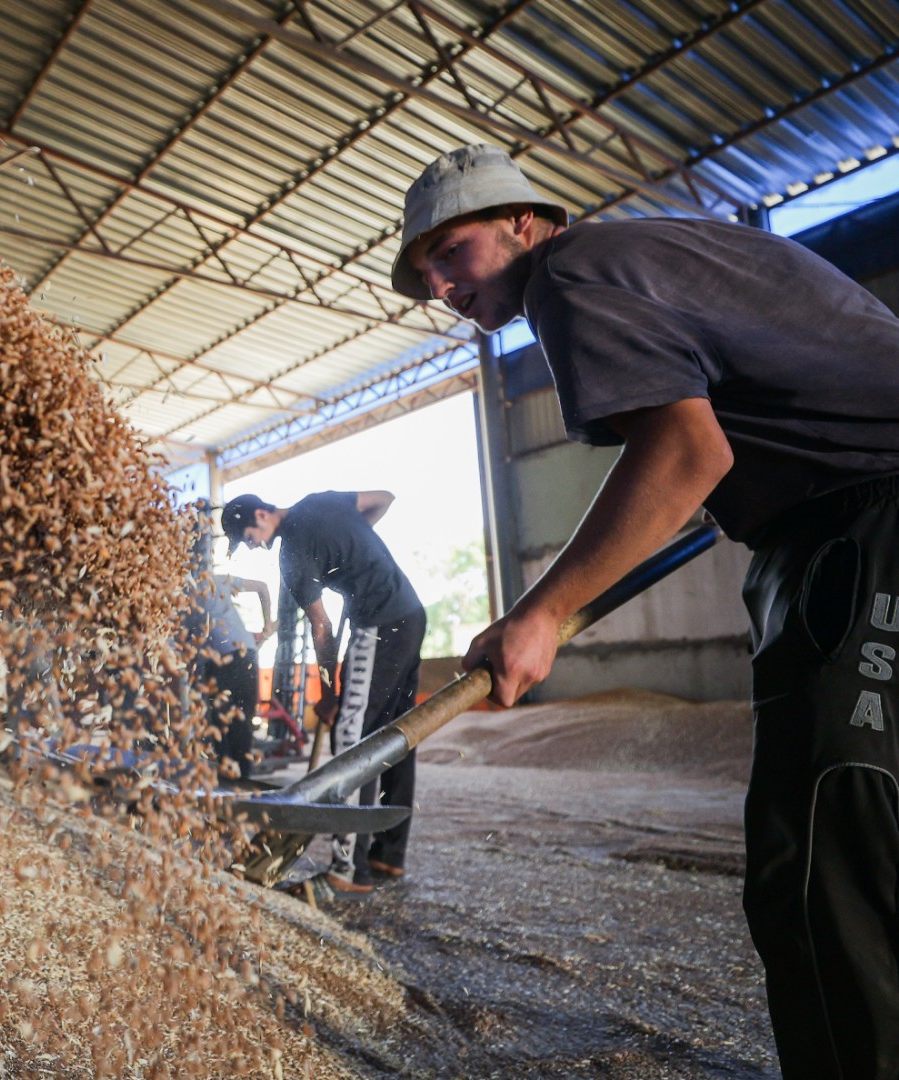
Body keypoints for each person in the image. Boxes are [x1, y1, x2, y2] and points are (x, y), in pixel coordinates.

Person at [395, 143, 899, 1078]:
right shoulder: (636, 254)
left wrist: (539, 614)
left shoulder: (571, 276)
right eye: (423, 274)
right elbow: (723, 437)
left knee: (822, 853)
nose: (438, 285)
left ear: (520, 220)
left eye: (449, 252)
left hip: (869, 521)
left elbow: (681, 449)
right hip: (827, 522)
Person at [222, 490, 426, 895]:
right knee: (395, 735)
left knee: (352, 741)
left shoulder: (292, 557)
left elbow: (322, 628)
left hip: (377, 623)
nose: (252, 545)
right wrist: (355, 548)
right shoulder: (322, 501)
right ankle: (388, 856)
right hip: (410, 612)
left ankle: (348, 871)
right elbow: (382, 498)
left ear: (262, 513)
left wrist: (331, 685)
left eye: (247, 535)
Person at [182, 522, 272, 779]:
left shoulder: (198, 589)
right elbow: (263, 587)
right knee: (228, 723)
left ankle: (238, 783)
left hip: (236, 658)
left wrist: (266, 628)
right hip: (230, 658)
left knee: (232, 723)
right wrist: (265, 628)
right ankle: (230, 780)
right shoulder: (216, 581)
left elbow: (264, 586)